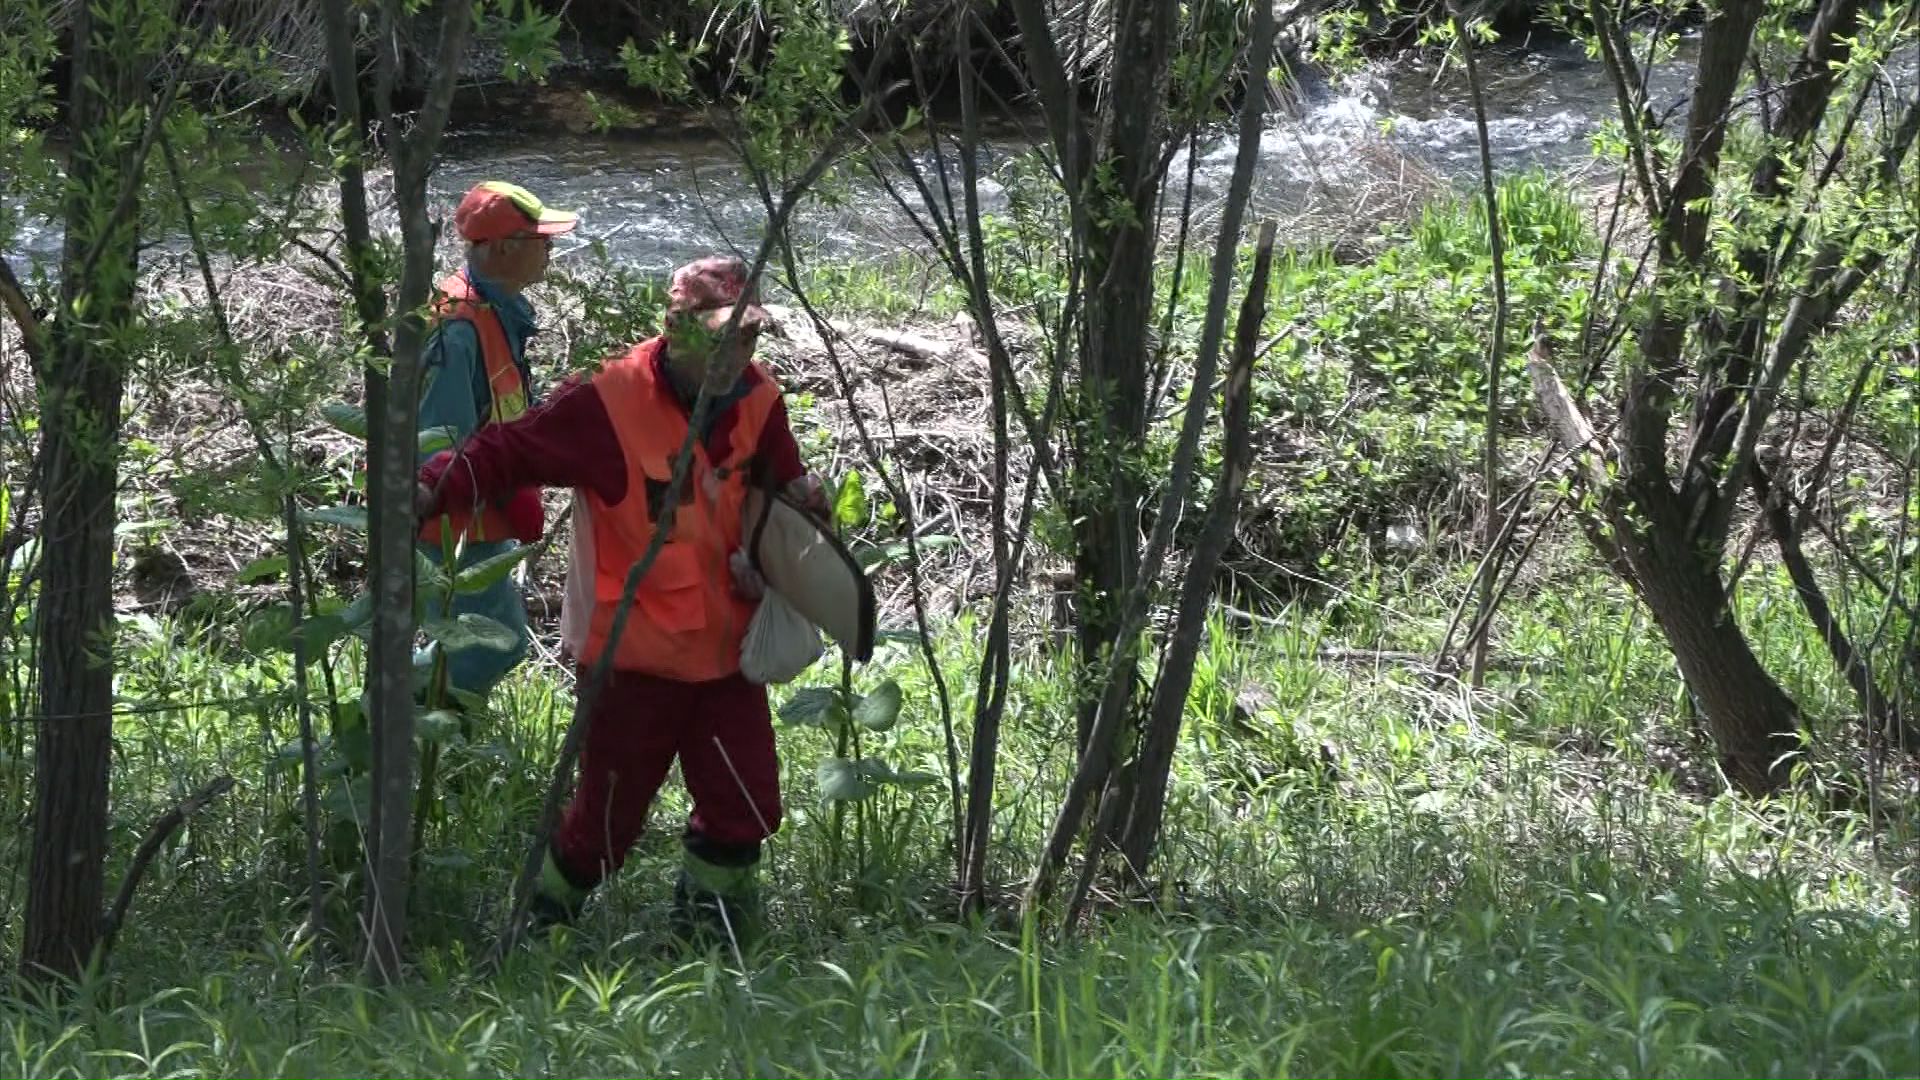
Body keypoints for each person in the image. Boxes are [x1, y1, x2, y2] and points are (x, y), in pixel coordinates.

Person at [414, 255, 826, 947]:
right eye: (719, 336)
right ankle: (537, 933)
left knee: (745, 801)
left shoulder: (759, 399)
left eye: (749, 336)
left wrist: (794, 534)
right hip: (632, 661)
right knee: (603, 825)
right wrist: (427, 487)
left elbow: (783, 492)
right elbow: (506, 452)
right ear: (676, 328)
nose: (736, 354)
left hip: (727, 653)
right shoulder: (607, 401)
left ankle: (710, 941)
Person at [414, 180, 578, 712]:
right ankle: (402, 728)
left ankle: (421, 734)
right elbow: (437, 448)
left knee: (479, 640)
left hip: (482, 517)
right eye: (540, 239)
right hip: (457, 525)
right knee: (496, 642)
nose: (550, 248)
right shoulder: (457, 332)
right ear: (503, 248)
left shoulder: (494, 309)